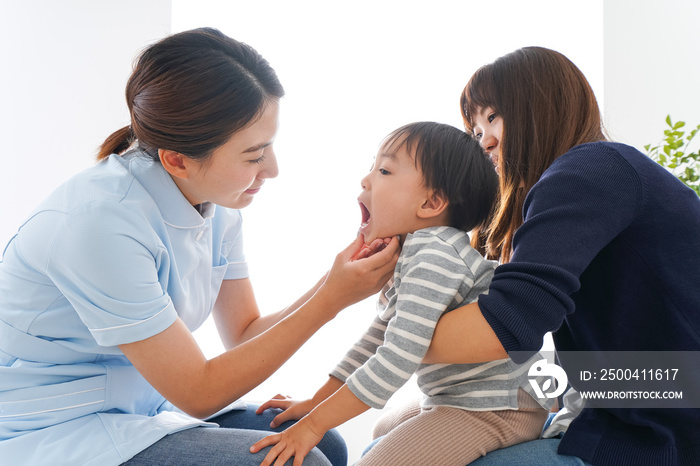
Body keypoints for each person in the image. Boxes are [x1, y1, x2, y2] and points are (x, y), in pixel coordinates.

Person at [0, 28, 400, 466]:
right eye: (253, 155)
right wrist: (331, 299)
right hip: (51, 428)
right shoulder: (98, 224)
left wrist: (336, 279)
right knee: (299, 463)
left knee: (325, 442)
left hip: (137, 407)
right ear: (177, 159)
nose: (273, 168)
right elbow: (199, 393)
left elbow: (243, 334)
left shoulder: (217, 204)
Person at [420, 46, 700, 465]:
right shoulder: (586, 179)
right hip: (649, 396)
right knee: (403, 426)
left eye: (493, 117)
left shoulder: (588, 170)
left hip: (665, 422)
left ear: (541, 105)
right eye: (476, 131)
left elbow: (508, 324)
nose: (486, 141)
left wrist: (397, 344)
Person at [249, 122, 553, 466]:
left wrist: (314, 425)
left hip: (495, 405)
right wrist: (316, 403)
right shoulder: (413, 250)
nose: (366, 180)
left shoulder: (433, 253)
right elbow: (376, 338)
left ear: (432, 202)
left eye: (384, 170)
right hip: (462, 394)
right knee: (382, 427)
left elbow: (397, 356)